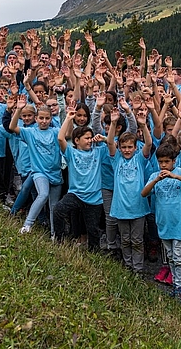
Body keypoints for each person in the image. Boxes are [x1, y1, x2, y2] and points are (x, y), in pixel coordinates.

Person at [141, 143, 181, 301]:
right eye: (161, 162)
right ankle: (175, 284)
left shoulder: (180, 172)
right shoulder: (155, 176)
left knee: (179, 257)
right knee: (171, 256)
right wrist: (155, 181)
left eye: (167, 162)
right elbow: (144, 193)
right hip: (164, 223)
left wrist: (176, 176)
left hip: (180, 223)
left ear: (174, 161)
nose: (163, 165)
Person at [53, 102, 108, 251]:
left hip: (94, 198)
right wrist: (68, 118)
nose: (90, 140)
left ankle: (94, 254)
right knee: (58, 210)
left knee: (93, 230)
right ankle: (59, 241)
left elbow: (112, 146)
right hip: (76, 194)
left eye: (91, 138)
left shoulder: (98, 151)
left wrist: (103, 139)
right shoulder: (72, 153)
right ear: (77, 141)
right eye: (86, 138)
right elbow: (60, 139)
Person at [106, 108, 153, 273]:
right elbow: (110, 142)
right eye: (124, 147)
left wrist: (143, 125)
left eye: (130, 147)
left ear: (135, 148)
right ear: (119, 148)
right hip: (120, 208)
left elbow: (148, 144)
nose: (126, 150)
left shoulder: (140, 159)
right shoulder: (116, 159)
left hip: (138, 207)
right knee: (125, 239)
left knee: (137, 240)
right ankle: (128, 266)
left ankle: (138, 269)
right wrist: (113, 123)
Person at [8, 96, 62, 235]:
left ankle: (54, 234)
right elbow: (12, 127)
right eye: (41, 118)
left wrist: (68, 117)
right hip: (39, 172)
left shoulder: (55, 132)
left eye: (47, 119)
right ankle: (27, 225)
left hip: (55, 173)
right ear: (36, 119)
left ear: (50, 119)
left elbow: (65, 134)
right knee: (42, 194)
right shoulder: (30, 132)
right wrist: (19, 109)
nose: (44, 121)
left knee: (53, 206)